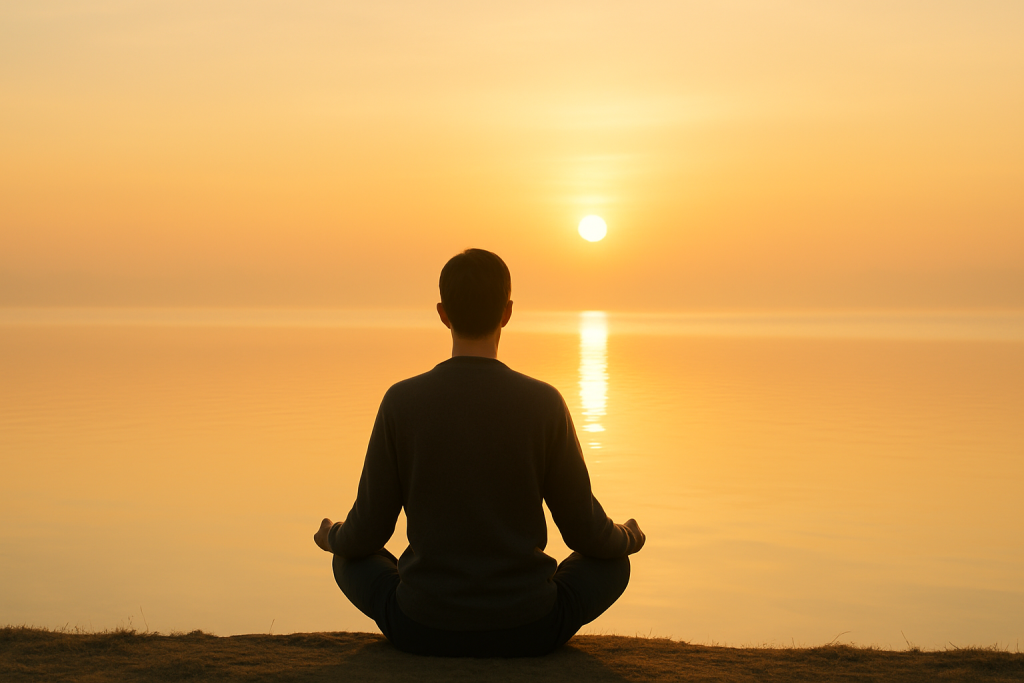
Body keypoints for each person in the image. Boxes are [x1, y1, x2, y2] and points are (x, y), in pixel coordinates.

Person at [313, 248, 645, 657]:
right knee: (614, 563)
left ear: (442, 312)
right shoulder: (543, 402)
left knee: (349, 559)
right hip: (530, 626)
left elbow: (367, 533)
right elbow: (585, 532)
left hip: (421, 625)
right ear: (507, 312)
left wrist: (332, 537)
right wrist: (628, 537)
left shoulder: (401, 401)